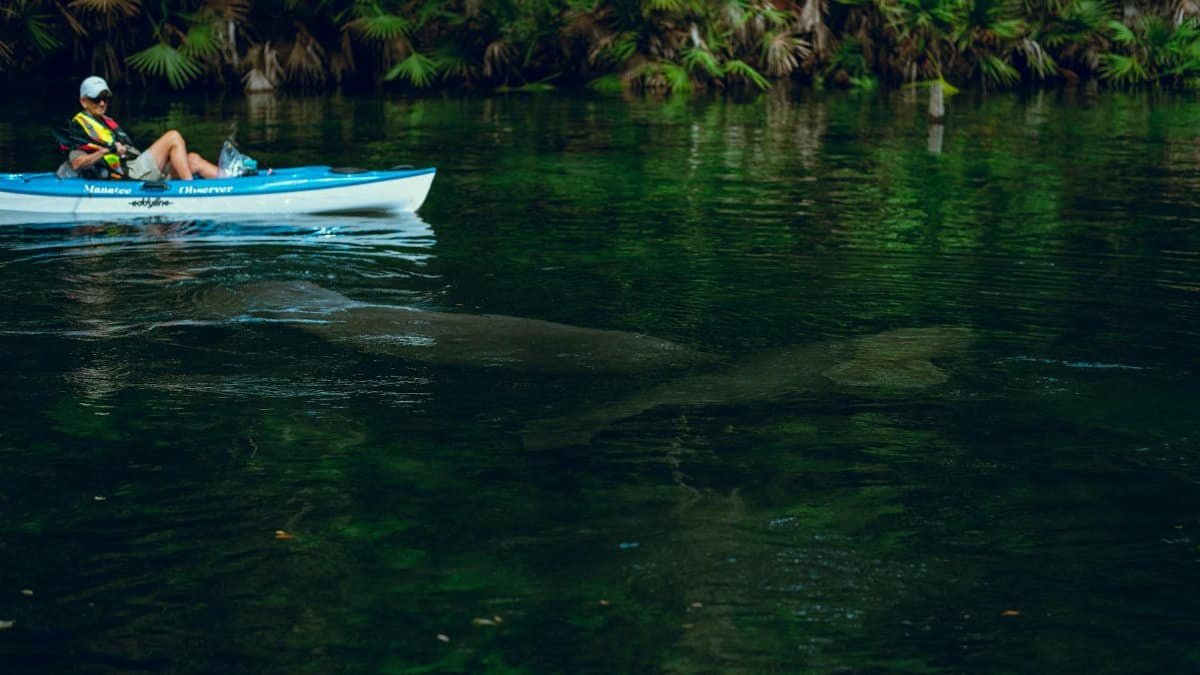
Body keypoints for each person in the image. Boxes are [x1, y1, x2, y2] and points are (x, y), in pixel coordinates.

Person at [56, 76, 218, 181]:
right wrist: (106, 151)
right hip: (129, 175)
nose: (102, 103)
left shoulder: (104, 121)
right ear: (83, 101)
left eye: (105, 98)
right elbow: (77, 163)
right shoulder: (78, 128)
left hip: (135, 167)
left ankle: (233, 178)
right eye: (96, 98)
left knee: (193, 159)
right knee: (173, 137)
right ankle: (191, 192)